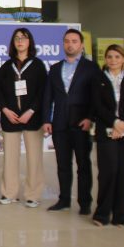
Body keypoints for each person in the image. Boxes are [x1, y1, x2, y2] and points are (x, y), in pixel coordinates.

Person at [42, 28, 100, 214]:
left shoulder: (91, 68)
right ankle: (64, 200)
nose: (70, 44)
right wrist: (46, 119)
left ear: (81, 45)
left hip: (81, 124)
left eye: (74, 41)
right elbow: (48, 96)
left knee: (83, 165)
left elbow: (96, 97)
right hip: (59, 124)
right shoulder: (55, 68)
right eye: (67, 41)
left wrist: (90, 118)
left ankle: (85, 203)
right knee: (63, 165)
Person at [0, 28, 47, 207]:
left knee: (34, 159)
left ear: (29, 42)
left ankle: (33, 195)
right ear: (13, 43)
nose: (20, 41)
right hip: (11, 118)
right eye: (17, 38)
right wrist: (5, 110)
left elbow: (43, 92)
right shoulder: (7, 66)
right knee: (10, 158)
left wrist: (31, 110)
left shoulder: (38, 65)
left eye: (24, 38)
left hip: (32, 118)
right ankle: (9, 193)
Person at [91, 44, 124, 227]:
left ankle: (120, 216)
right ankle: (102, 214)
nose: (113, 60)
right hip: (106, 132)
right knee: (108, 172)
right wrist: (114, 122)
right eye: (110, 57)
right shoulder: (98, 79)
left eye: (117, 57)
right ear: (105, 59)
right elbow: (97, 106)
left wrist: (122, 125)